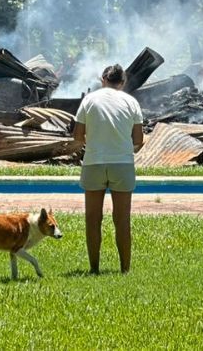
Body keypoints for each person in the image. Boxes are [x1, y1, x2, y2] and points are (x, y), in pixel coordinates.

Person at [73, 64, 144, 274]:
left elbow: (77, 136)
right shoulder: (131, 102)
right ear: (122, 82)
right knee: (122, 219)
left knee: (92, 218)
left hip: (94, 162)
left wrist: (94, 143)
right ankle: (125, 269)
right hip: (122, 163)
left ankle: (94, 268)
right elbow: (138, 140)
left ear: (103, 79)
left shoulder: (89, 100)